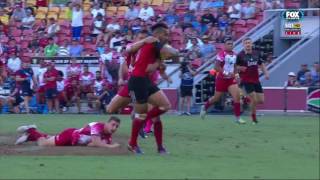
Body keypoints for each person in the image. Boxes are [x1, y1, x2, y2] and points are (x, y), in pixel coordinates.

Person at [127, 23, 178, 154]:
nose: (168, 37)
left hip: (146, 80)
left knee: (165, 106)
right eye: (165, 34)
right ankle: (134, 144)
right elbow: (173, 53)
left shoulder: (154, 46)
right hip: (137, 81)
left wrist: (160, 63)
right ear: (157, 35)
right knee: (144, 114)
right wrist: (168, 56)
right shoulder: (153, 41)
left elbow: (160, 62)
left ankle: (159, 146)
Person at [200, 38, 245, 124]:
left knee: (237, 97)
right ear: (224, 45)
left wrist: (237, 76)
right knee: (216, 98)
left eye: (231, 44)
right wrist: (225, 73)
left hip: (231, 80)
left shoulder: (235, 54)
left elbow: (235, 67)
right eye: (228, 44)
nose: (230, 45)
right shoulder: (221, 54)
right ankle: (204, 107)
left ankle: (238, 118)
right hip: (221, 79)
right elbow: (216, 67)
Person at [15, 116, 121, 148]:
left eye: (116, 126)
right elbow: (97, 142)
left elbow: (90, 144)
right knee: (43, 143)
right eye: (113, 124)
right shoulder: (97, 126)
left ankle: (30, 135)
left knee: (50, 139)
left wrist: (102, 143)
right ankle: (31, 130)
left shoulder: (109, 137)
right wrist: (110, 146)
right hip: (70, 135)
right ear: (107, 123)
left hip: (73, 140)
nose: (114, 128)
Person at [236, 37, 269, 124]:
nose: (248, 44)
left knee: (261, 100)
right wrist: (240, 68)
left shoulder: (256, 53)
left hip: (256, 80)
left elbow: (261, 64)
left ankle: (246, 100)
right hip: (246, 80)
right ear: (243, 45)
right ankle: (254, 118)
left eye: (249, 43)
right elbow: (234, 66)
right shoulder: (240, 55)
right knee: (254, 99)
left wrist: (266, 73)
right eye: (246, 43)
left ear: (252, 44)